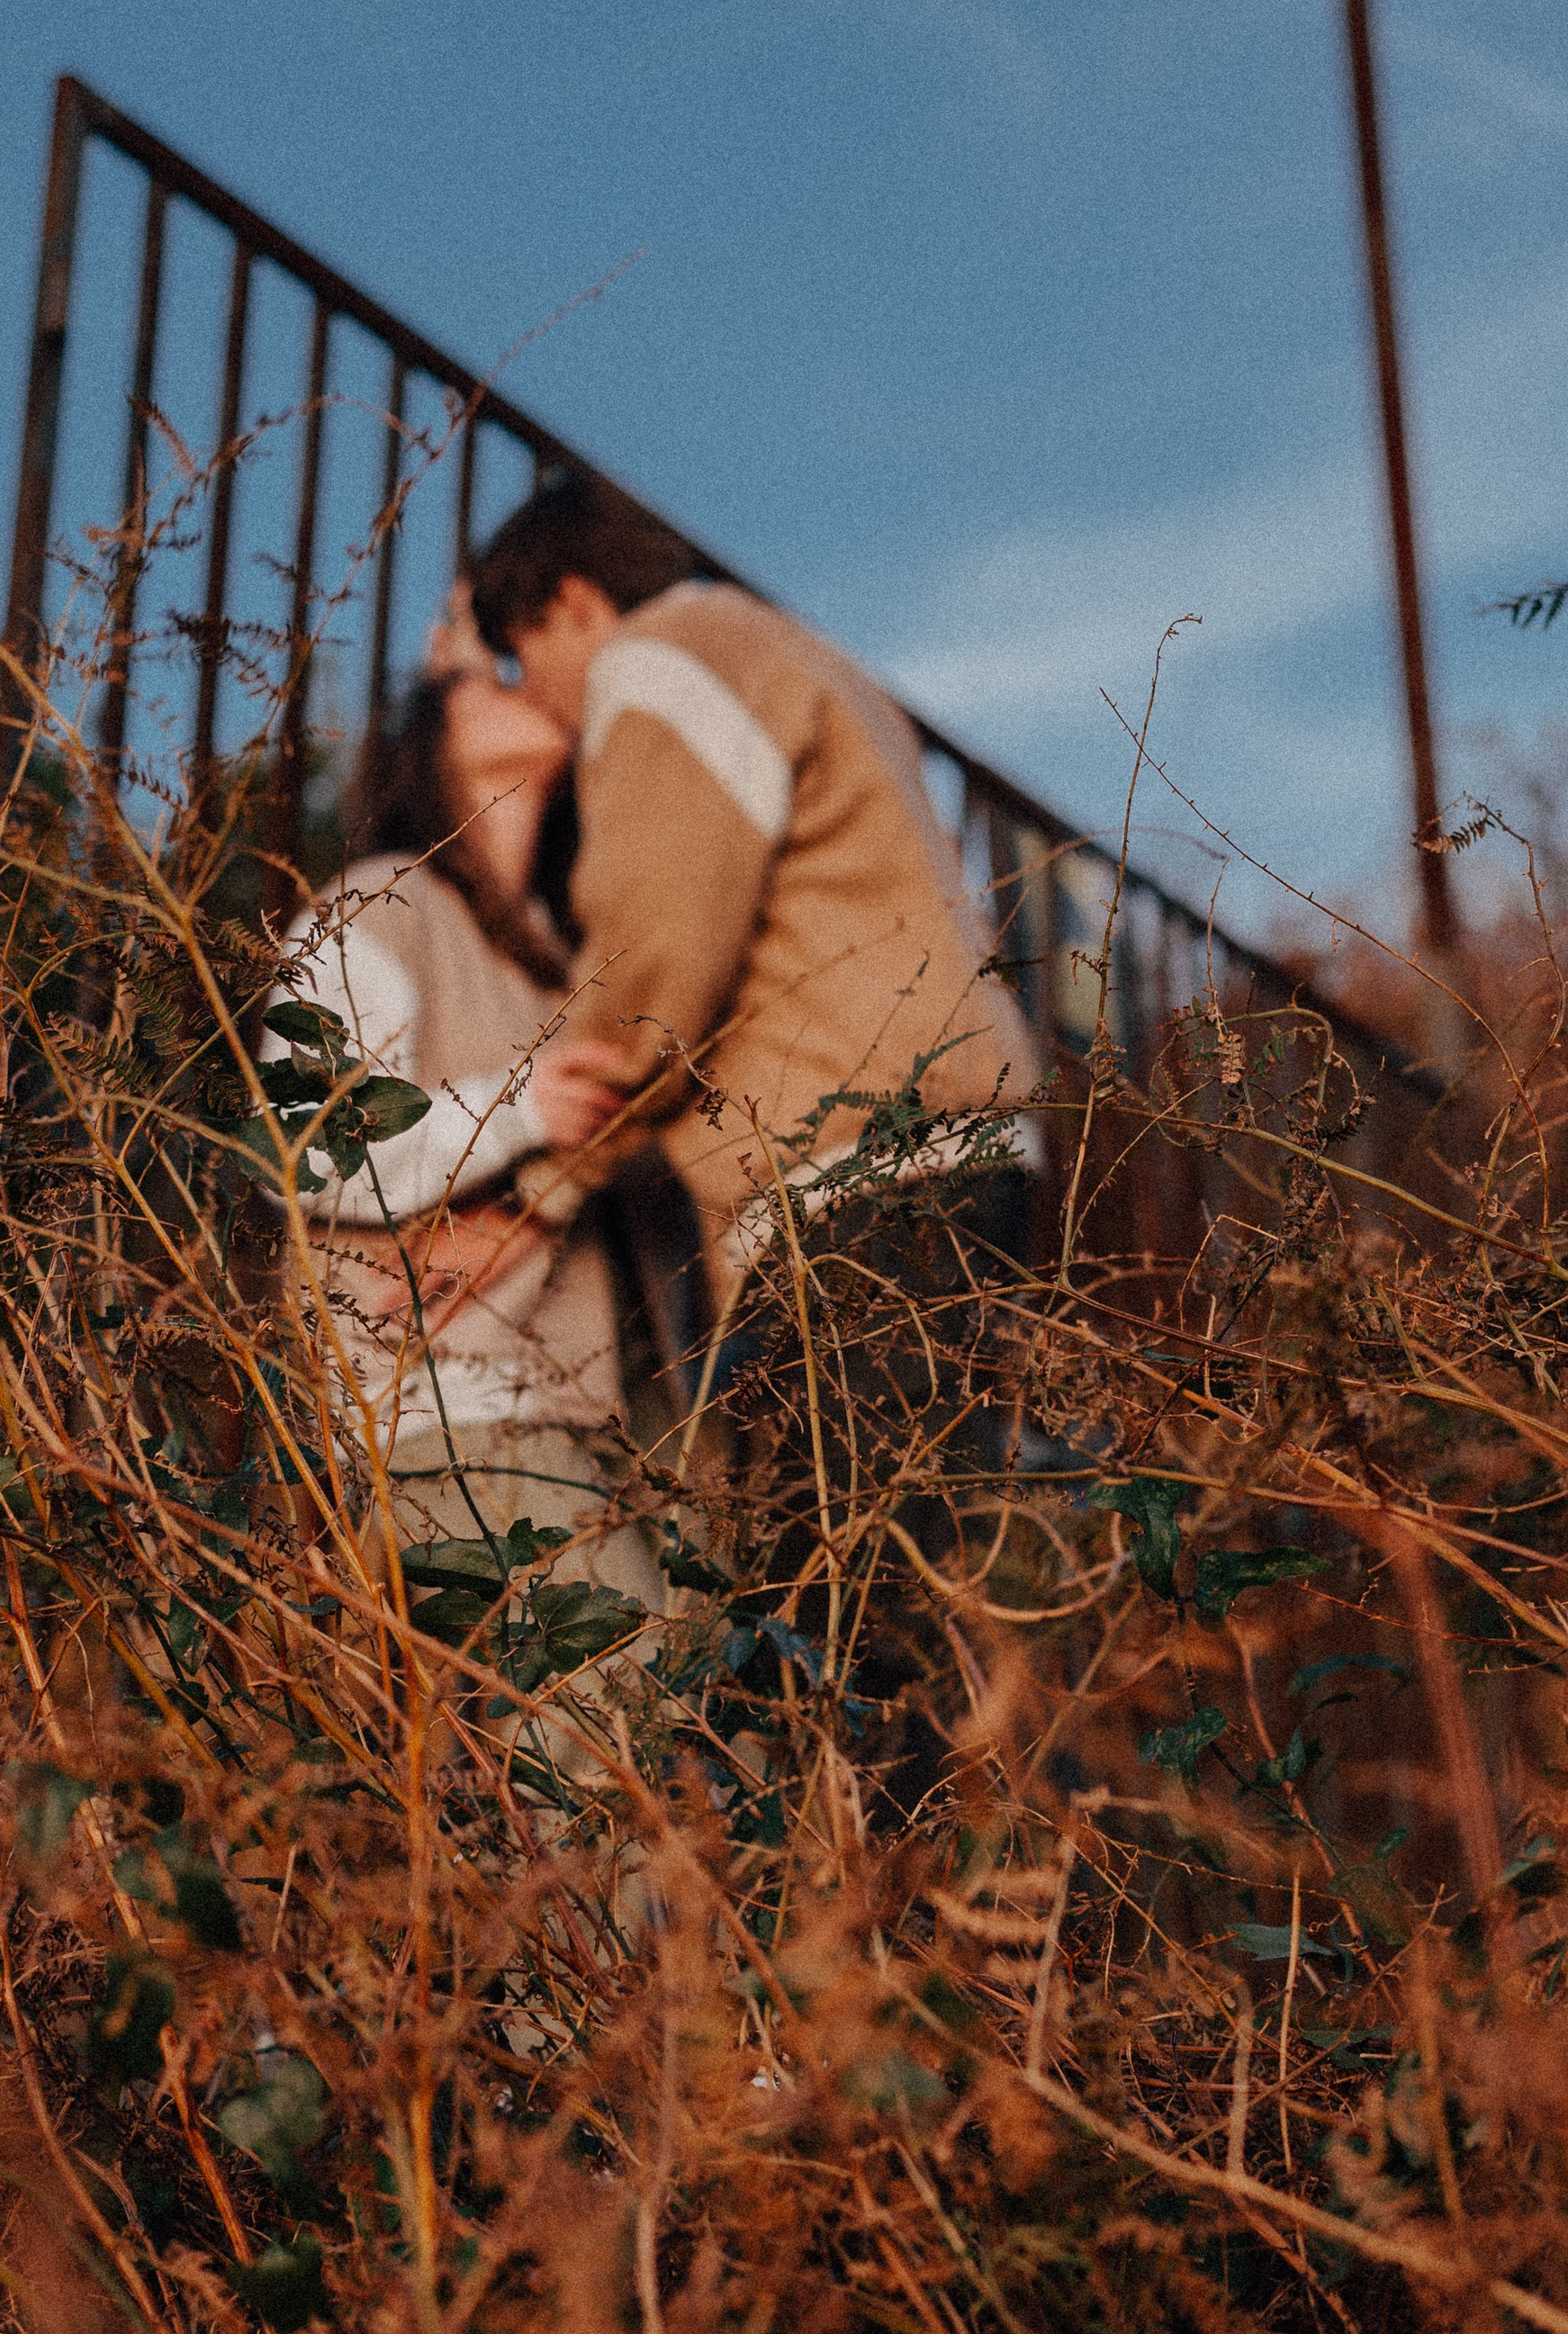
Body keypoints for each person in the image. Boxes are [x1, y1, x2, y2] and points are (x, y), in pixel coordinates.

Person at [465, 473, 1044, 1325]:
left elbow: (653, 953)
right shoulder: (802, 660)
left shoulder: (661, 657)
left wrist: (539, 1195)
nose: (532, 691)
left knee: (851, 1460)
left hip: (859, 1179)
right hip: (952, 1149)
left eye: (522, 653)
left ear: (575, 603)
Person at [273, 597, 653, 1600]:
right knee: (628, 1703)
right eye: (487, 677)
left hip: (572, 1414)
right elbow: (306, 1140)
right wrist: (520, 1110)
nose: (520, 681)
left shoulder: (557, 956)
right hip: (439, 1406)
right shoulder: (380, 902)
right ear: (432, 739)